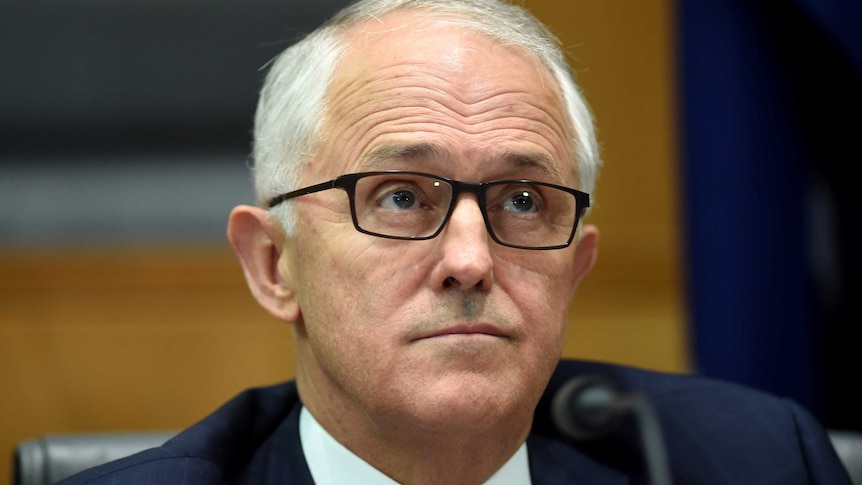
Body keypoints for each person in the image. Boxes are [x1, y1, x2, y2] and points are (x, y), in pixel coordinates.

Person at [61, 0, 851, 483]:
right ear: (275, 264)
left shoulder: (760, 462)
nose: (471, 259)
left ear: (575, 268)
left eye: (521, 200)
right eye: (401, 197)